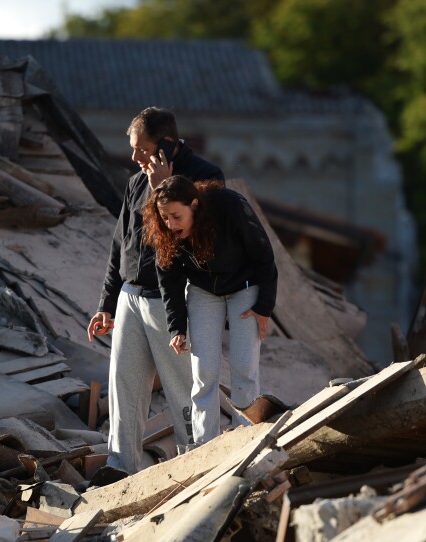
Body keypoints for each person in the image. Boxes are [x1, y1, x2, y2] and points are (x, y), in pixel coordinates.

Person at [87, 107, 224, 474]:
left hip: (174, 302)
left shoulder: (206, 179)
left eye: (140, 148)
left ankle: (192, 466)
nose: (133, 157)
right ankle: (119, 466)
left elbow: (201, 245)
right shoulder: (135, 182)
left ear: (165, 145)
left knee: (184, 391)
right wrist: (106, 304)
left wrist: (161, 190)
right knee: (123, 387)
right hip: (130, 298)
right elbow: (120, 246)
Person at [142, 175, 277, 445]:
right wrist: (177, 327)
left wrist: (264, 307)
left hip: (244, 288)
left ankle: (246, 441)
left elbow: (264, 255)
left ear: (194, 204)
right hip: (204, 291)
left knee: (243, 368)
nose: (170, 225)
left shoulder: (229, 206)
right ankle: (204, 447)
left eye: (176, 216)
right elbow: (169, 282)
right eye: (164, 218)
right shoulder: (168, 232)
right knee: (203, 373)